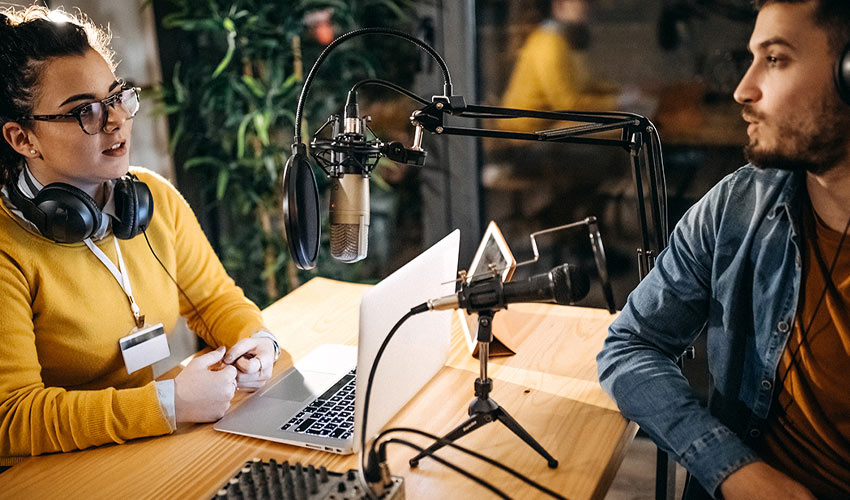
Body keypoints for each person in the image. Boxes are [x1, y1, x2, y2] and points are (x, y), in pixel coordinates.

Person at [0, 6, 287, 465]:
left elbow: (215, 301)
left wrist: (256, 343)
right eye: (84, 112)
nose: (116, 120)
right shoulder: (7, 247)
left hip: (144, 448)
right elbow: (11, 418)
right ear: (22, 138)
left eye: (117, 97)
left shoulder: (153, 198)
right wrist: (166, 403)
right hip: (52, 473)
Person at [597, 0, 850, 498]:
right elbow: (629, 346)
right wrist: (732, 470)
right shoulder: (737, 205)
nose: (743, 89)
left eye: (775, 59)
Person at [500, 0, 649, 132]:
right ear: (559, 5)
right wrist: (618, 101)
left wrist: (620, 91)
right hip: (529, 134)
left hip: (547, 127)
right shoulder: (548, 43)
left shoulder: (561, 40)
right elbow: (567, 104)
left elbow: (585, 82)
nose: (587, 7)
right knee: (628, 130)